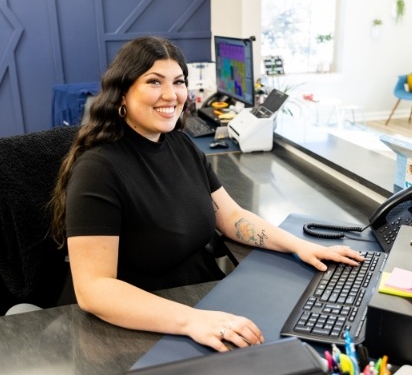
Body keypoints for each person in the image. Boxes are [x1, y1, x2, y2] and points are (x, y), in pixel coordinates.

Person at [50, 36, 364, 353]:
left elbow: (229, 217)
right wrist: (192, 321)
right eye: (154, 81)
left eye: (178, 82)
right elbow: (94, 289)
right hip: (135, 327)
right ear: (123, 92)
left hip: (194, 300)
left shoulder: (180, 144)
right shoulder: (98, 169)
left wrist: (300, 246)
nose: (171, 95)